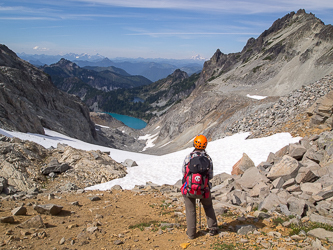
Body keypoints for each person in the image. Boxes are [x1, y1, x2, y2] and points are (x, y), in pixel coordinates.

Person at [181, 134, 218, 239]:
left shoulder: (189, 157)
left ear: (194, 144)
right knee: (208, 206)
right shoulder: (208, 158)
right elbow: (210, 175)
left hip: (189, 189)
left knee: (190, 210)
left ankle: (191, 234)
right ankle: (213, 229)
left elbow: (184, 172)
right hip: (204, 189)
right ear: (205, 145)